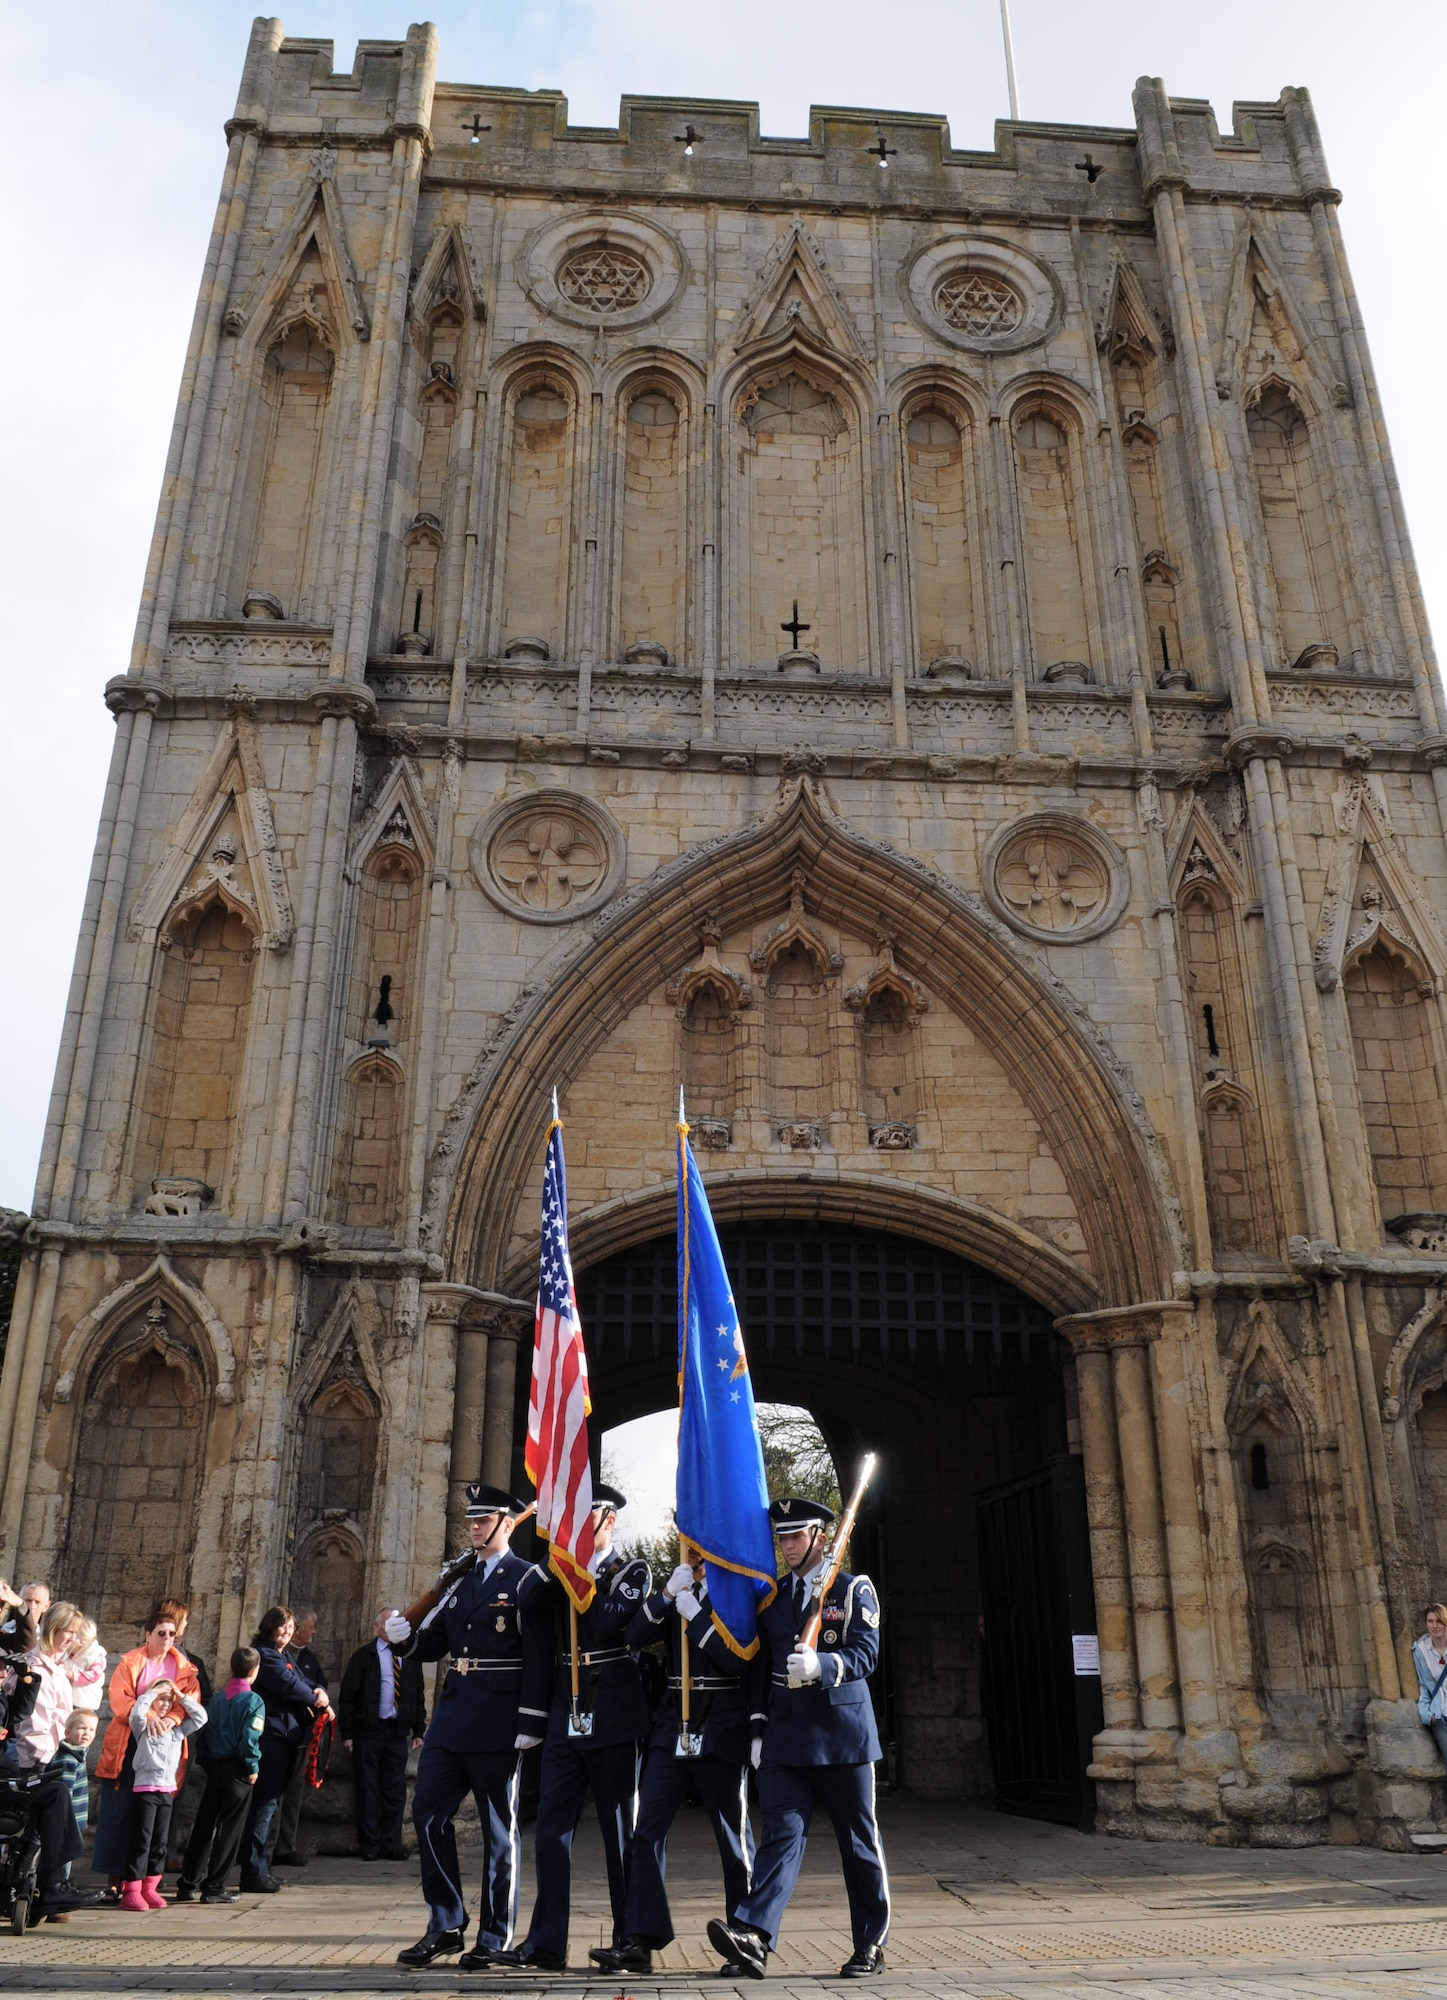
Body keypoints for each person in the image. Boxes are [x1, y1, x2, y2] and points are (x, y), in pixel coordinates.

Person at [707, 1497, 890, 1981]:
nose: (786, 1545)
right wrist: (757, 1729)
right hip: (786, 1739)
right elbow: (763, 1671)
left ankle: (870, 1942)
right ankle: (753, 1936)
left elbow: (867, 1654)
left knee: (859, 1843)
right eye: (781, 1537)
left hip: (842, 1736)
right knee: (779, 1840)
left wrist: (825, 1666)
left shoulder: (852, 1589)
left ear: (820, 1537)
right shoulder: (774, 1598)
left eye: (795, 1536)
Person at [386, 1485, 552, 1970]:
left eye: (484, 1521)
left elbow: (538, 1655)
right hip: (452, 1720)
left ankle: (495, 1934)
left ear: (506, 1524)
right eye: (472, 1522)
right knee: (427, 1814)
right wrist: (404, 1641)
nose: (475, 1528)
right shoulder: (459, 1583)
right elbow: (434, 1642)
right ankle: (446, 1923)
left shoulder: (525, 1580)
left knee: (500, 1832)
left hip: (500, 1723)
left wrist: (531, 1718)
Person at [497, 1483, 651, 1974]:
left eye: (588, 1521)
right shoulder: (560, 1569)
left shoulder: (632, 1571)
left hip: (612, 1709)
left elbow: (609, 1622)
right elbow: (524, 1598)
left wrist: (576, 1571)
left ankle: (631, 1940)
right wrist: (552, 1562)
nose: (580, 1530)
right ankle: (546, 1941)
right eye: (573, 1523)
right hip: (569, 1708)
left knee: (619, 1834)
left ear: (609, 1522)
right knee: (551, 1830)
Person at [591, 1546, 753, 1975]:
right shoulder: (678, 1583)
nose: (694, 1551)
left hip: (719, 1720)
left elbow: (736, 1659)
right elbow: (634, 1636)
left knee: (731, 1836)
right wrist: (665, 1596)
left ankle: (744, 1937)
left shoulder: (737, 1591)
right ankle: (639, 1940)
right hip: (672, 1724)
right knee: (646, 1831)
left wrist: (696, 1617)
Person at [93, 1604, 201, 1895]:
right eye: (161, 1633)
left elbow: (191, 1703)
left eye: (171, 1633)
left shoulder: (184, 1668)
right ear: (147, 1634)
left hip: (165, 1747)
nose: (167, 1638)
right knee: (119, 1811)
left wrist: (171, 1719)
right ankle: (115, 1881)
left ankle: (146, 1879)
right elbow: (119, 1700)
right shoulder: (131, 1662)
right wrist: (149, 1717)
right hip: (129, 1744)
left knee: (154, 1817)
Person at [10, 1601, 101, 1916]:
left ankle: (58, 1888)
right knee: (51, 1815)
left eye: (76, 1634)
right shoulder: (32, 1665)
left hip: (64, 1754)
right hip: (36, 1758)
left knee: (69, 1817)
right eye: (68, 1633)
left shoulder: (61, 1669)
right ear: (53, 1629)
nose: (72, 1640)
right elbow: (24, 1717)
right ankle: (49, 1887)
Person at [238, 1607, 330, 1894]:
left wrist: (318, 1690)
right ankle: (253, 1871)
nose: (287, 1632)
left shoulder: (283, 1654)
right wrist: (319, 1701)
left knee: (271, 1805)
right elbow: (291, 1686)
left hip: (286, 1737)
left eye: (291, 1627)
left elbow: (304, 1680)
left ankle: (260, 1868)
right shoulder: (265, 1654)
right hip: (271, 1737)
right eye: (283, 1627)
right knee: (264, 1807)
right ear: (270, 1627)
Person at [176, 1648, 266, 1904]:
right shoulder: (253, 1702)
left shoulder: (217, 1699)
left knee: (204, 1824)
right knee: (230, 1828)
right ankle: (215, 1886)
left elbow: (203, 1731)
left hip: (214, 1766)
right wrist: (253, 1766)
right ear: (255, 1671)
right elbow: (249, 1739)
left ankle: (187, 1883)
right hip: (237, 1769)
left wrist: (205, 1760)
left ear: (231, 1667)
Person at [339, 1609, 426, 1861]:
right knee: (367, 1788)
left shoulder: (409, 1657)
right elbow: (348, 1697)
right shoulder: (364, 1657)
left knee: (394, 1790)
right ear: (377, 1628)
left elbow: (417, 1695)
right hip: (369, 1731)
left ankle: (391, 1843)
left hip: (397, 1732)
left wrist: (418, 1729)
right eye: (388, 1624)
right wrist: (348, 1733)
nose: (392, 1629)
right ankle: (370, 1845)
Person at [117, 1677, 207, 1911]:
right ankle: (132, 1889)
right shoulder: (143, 1727)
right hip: (144, 1791)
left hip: (166, 1791)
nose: (165, 1704)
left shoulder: (175, 1731)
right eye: (161, 1700)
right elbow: (136, 1713)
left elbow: (200, 1717)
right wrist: (152, 1693)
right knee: (142, 1841)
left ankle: (150, 1887)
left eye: (168, 1701)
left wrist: (180, 1695)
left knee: (160, 1843)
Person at [271, 1609, 325, 1867]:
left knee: (293, 1793)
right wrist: (314, 1696)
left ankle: (285, 1846)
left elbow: (317, 1683)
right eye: (310, 1627)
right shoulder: (273, 1656)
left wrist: (320, 1693)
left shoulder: (305, 1658)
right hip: (279, 1734)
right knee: (273, 1796)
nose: (314, 1632)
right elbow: (294, 1687)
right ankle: (266, 1849)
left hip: (301, 1735)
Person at [43, 1708, 98, 1922]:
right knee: (61, 1861)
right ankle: (55, 1903)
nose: (87, 1732)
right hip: (64, 1823)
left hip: (72, 1822)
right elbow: (61, 1795)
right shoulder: (67, 1759)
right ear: (67, 1732)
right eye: (81, 1727)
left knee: (66, 1861)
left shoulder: (77, 1757)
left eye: (92, 1729)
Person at [1415, 1603, 1447, 1763]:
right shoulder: (1420, 1651)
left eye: (1439, 1621)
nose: (1435, 1626)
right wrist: (1427, 1716)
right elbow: (1424, 1686)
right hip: (1440, 1719)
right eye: (1430, 1621)